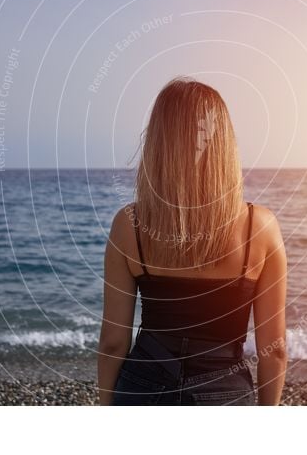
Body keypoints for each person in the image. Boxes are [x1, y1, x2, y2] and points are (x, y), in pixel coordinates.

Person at [97, 76, 288, 405]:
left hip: (143, 384)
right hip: (224, 390)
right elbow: (276, 350)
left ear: (159, 141)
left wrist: (106, 407)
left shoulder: (129, 225)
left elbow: (114, 342)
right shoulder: (261, 226)